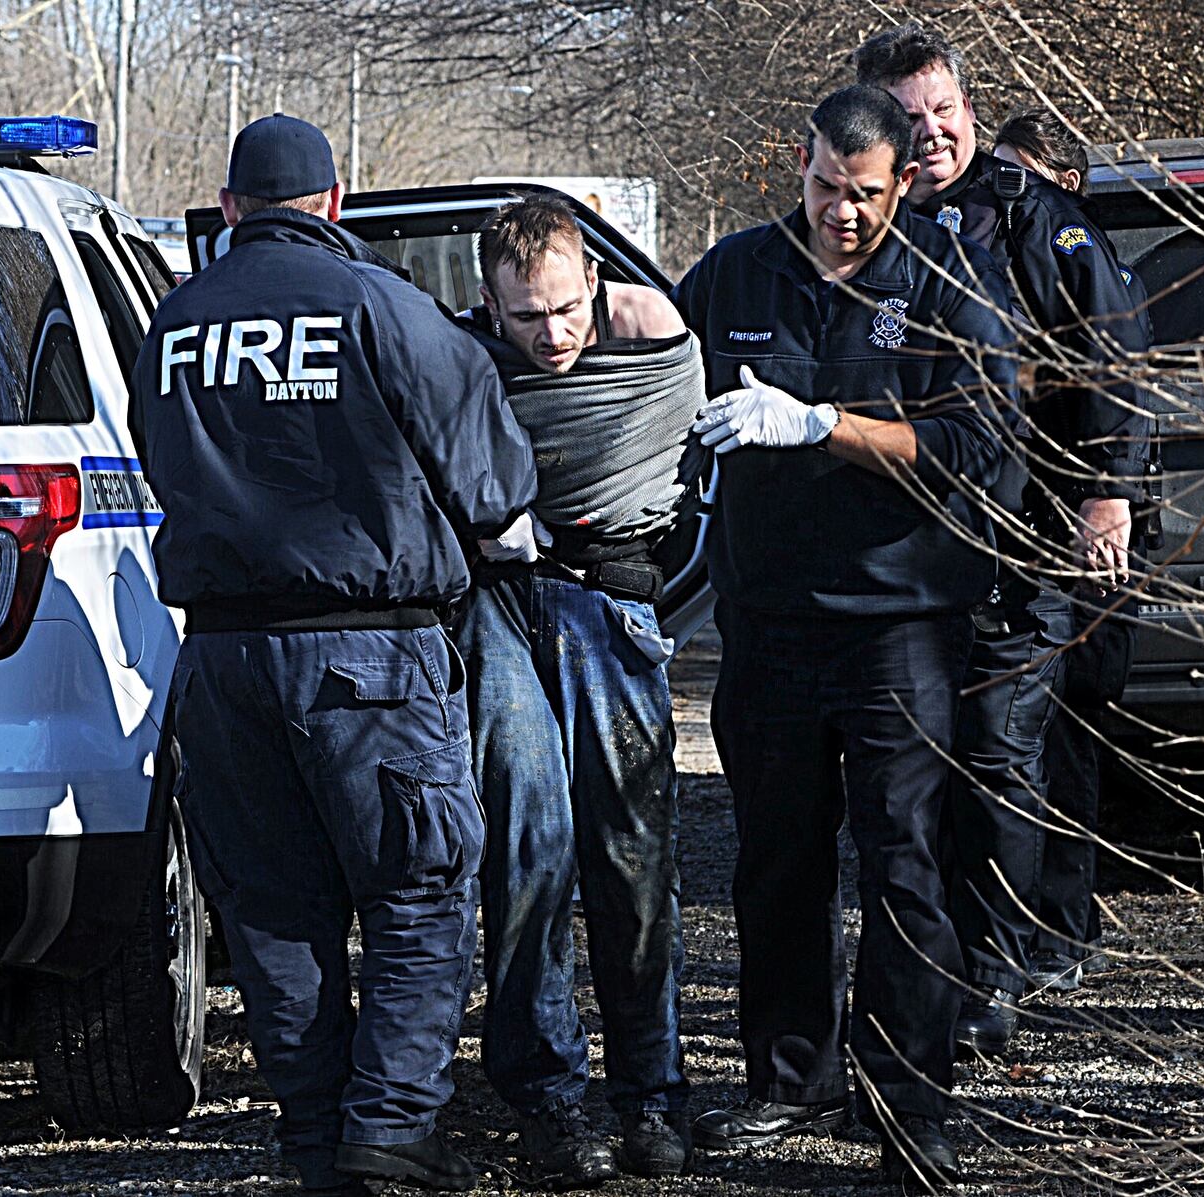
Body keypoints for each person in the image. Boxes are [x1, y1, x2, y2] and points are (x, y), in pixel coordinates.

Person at [127, 114, 538, 1196]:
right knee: (417, 893)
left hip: (222, 661)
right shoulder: (380, 305)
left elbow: (159, 462)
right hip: (371, 661)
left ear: (230, 209)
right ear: (335, 203)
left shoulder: (172, 323)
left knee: (273, 911)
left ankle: (316, 1138)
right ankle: (390, 1134)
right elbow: (496, 483)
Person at [672, 85, 1016, 1191]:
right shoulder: (738, 274)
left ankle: (909, 1098)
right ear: (801, 164)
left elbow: (980, 447)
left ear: (904, 181)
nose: (845, 212)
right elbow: (651, 375)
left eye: (866, 193)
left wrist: (827, 427)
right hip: (768, 623)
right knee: (777, 861)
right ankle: (790, 1079)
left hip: (899, 624)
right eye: (827, 186)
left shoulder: (950, 283)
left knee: (904, 861)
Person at [855, 23, 1151, 1055]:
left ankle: (995, 973)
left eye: (946, 111)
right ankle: (930, 969)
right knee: (915, 771)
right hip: (906, 551)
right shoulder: (865, 224)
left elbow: (1114, 358)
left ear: (970, 109)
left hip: (1024, 546)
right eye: (910, 119)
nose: (933, 133)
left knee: (997, 754)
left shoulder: (1034, 217)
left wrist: (1108, 494)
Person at [453, 195, 707, 1187]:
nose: (552, 334)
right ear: (490, 303)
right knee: (527, 847)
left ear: (593, 283)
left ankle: (652, 1092)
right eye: (526, 316)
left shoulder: (650, 329)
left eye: (566, 309)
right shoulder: (465, 358)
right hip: (501, 603)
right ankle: (548, 1097)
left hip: (611, 597)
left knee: (633, 856)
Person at [994, 109, 1149, 991]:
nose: (1005, 196)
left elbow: (1115, 382)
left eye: (1020, 177)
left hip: (1080, 536)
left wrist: (1105, 497)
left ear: (1065, 184)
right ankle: (1036, 932)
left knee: (1067, 734)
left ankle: (1062, 930)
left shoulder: (1081, 258)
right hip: (1024, 533)